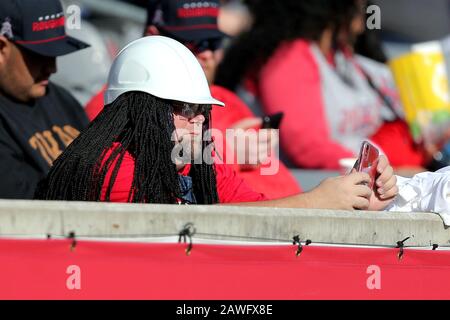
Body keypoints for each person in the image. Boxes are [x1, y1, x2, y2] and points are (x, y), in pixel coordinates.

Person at [35, 36, 398, 212]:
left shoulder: (198, 164)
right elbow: (188, 227)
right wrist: (317, 202)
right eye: (180, 108)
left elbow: (266, 210)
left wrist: (356, 201)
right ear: (136, 111)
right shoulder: (112, 170)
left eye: (199, 110)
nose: (195, 122)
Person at [85, 0, 301, 200]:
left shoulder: (226, 98)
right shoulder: (120, 105)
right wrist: (227, 152)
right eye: (196, 42)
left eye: (214, 43)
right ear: (153, 37)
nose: (208, 54)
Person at [215, 0, 428, 171]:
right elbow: (307, 148)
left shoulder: (342, 54)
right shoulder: (289, 56)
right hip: (320, 188)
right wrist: (386, 171)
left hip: (365, 178)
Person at [0, 0, 90, 199]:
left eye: (55, 53)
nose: (52, 68)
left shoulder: (60, 99)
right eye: (39, 55)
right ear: (2, 48)